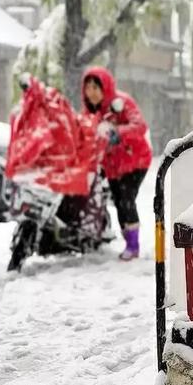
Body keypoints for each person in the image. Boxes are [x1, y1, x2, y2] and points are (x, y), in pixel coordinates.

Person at [82, 67, 152, 261]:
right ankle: (128, 241)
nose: (92, 92)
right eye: (88, 88)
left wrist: (116, 132)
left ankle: (133, 245)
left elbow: (140, 126)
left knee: (126, 199)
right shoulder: (90, 114)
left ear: (106, 87)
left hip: (135, 160)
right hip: (112, 167)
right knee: (119, 203)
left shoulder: (121, 103)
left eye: (96, 87)